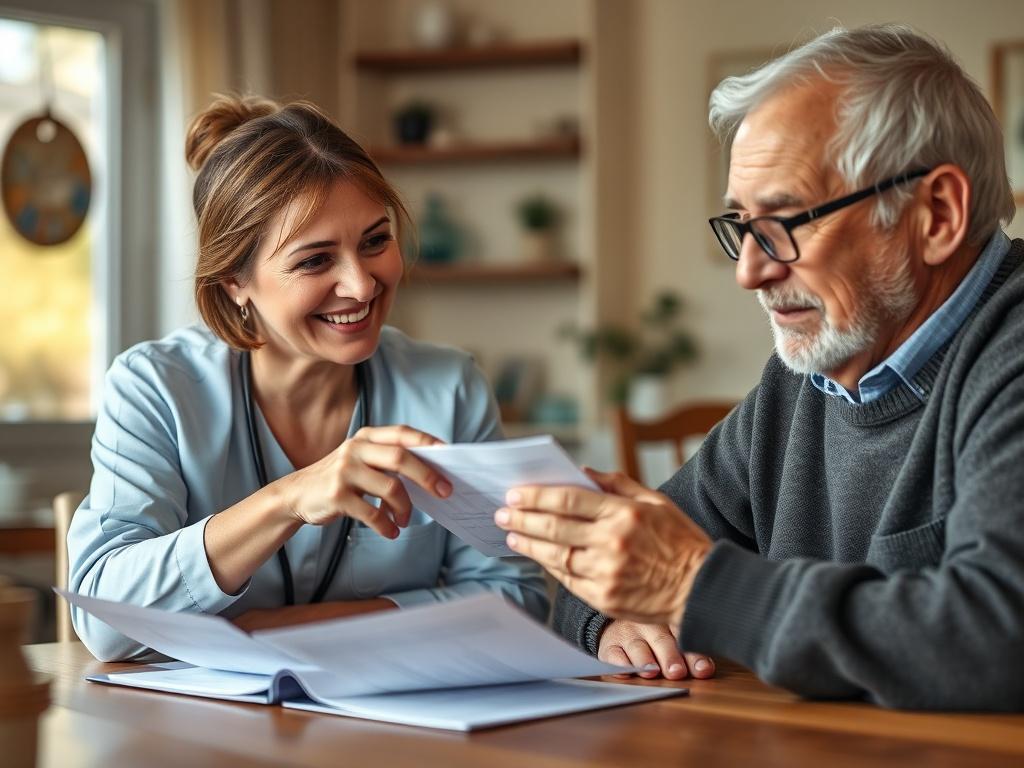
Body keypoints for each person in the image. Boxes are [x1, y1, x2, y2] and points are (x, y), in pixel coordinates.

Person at [494, 24, 1024, 710]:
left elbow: (996, 640)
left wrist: (692, 587)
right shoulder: (805, 382)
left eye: (785, 222)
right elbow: (624, 569)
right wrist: (613, 620)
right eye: (742, 225)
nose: (749, 271)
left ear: (937, 214)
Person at [68, 96, 548, 661]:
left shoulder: (450, 387)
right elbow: (106, 622)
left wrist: (287, 626)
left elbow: (516, 597)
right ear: (233, 283)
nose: (363, 285)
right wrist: (288, 499)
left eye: (375, 241)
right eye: (315, 260)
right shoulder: (154, 387)